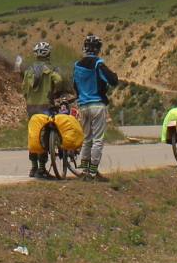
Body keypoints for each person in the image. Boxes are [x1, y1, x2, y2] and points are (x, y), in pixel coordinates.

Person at [71, 33, 118, 181]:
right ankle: (93, 172)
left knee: (87, 139)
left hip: (83, 106)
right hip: (97, 104)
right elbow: (112, 80)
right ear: (98, 49)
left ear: (85, 48)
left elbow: (75, 85)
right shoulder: (98, 64)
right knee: (98, 140)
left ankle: (84, 171)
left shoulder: (77, 65)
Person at [21, 41, 64, 180]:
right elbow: (59, 81)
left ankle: (33, 167)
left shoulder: (28, 70)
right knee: (44, 136)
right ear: (48, 54)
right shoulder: (50, 69)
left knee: (33, 136)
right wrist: (55, 92)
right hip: (46, 107)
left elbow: (23, 89)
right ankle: (41, 168)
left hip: (31, 108)